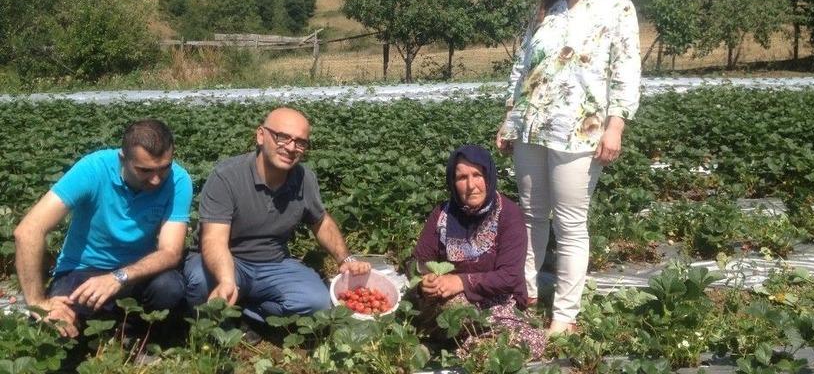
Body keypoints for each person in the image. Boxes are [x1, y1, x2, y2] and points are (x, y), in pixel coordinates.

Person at [496, 0, 641, 335]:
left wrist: (616, 126)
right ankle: (524, 294)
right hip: (532, 127)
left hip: (581, 131)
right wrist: (510, 117)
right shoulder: (546, 10)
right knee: (529, 216)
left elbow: (626, 72)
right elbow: (520, 70)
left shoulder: (617, 8)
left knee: (571, 223)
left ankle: (565, 315)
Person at [184, 107, 371, 323]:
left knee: (317, 303)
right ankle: (219, 321)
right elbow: (214, 240)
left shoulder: (304, 178)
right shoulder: (227, 176)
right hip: (227, 260)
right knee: (200, 281)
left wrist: (345, 259)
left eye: (300, 142)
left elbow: (321, 222)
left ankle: (248, 312)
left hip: (273, 263)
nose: (291, 148)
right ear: (261, 135)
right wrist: (226, 280)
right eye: (282, 138)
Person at [14, 119, 192, 338]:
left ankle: (139, 335)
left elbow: (170, 252)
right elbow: (28, 230)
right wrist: (37, 302)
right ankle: (108, 331)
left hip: (135, 272)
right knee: (60, 321)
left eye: (163, 168)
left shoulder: (178, 179)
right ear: (123, 159)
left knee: (169, 288)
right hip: (83, 269)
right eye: (145, 170)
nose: (156, 180)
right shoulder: (93, 169)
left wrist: (118, 277)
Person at [410, 145, 546, 358]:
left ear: (489, 177)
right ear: (453, 182)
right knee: (455, 309)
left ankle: (453, 345)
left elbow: (509, 277)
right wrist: (426, 280)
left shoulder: (509, 214)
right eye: (462, 178)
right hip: (450, 300)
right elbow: (419, 263)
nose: (471, 185)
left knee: (524, 342)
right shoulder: (442, 214)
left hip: (498, 302)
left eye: (477, 175)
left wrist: (461, 282)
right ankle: (463, 343)